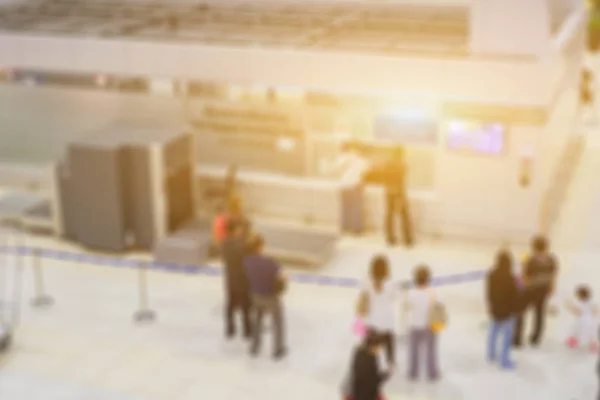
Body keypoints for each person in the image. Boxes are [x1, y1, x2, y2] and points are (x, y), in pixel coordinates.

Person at [244, 234, 287, 359]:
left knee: (257, 321)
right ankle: (278, 349)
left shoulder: (246, 261)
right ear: (260, 247)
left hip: (255, 295)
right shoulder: (269, 262)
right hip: (270, 296)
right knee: (278, 321)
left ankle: (255, 347)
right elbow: (283, 275)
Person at [513, 235, 558, 348]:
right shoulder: (552, 259)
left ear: (533, 247)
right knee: (539, 314)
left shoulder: (530, 259)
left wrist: (519, 287)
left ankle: (517, 339)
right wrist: (552, 288)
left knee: (520, 312)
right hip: (543, 290)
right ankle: (535, 338)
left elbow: (525, 277)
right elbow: (553, 276)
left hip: (530, 290)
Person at [357, 255, 397, 369]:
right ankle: (390, 363)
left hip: (371, 319)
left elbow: (362, 297)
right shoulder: (390, 283)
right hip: (386, 320)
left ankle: (368, 363)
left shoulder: (366, 282)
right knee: (389, 342)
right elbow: (394, 297)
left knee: (369, 343)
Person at [324, 141, 369, 234]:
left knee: (345, 208)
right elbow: (365, 173)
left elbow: (333, 169)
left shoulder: (342, 158)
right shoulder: (362, 159)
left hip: (343, 185)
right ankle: (357, 229)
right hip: (355, 185)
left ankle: (345, 227)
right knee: (356, 208)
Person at [405, 265, 440, 381]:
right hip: (429, 325)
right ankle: (432, 373)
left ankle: (413, 372)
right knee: (431, 350)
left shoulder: (411, 293)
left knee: (413, 350)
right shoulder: (432, 292)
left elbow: (407, 307)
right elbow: (437, 306)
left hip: (414, 324)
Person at [486, 250, 519, 369]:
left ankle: (491, 354)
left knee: (493, 333)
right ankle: (504, 360)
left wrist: (490, 306)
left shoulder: (491, 275)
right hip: (508, 312)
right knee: (506, 337)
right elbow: (515, 295)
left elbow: (489, 293)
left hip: (495, 309)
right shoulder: (511, 278)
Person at [221, 220, 252, 340]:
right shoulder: (239, 245)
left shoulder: (226, 243)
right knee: (243, 306)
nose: (241, 230)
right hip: (241, 280)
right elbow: (245, 252)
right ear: (234, 230)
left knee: (231, 305)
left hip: (231, 279)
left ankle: (232, 328)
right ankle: (245, 329)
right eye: (239, 228)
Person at [345, 329, 393, 400]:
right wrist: (388, 373)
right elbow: (375, 380)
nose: (379, 351)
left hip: (357, 391)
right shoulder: (369, 360)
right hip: (367, 394)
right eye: (379, 348)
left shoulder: (360, 352)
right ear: (374, 346)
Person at [382, 147, 413, 247]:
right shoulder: (402, 165)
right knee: (404, 215)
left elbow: (384, 177)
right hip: (399, 192)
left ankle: (390, 238)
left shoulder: (387, 163)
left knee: (389, 215)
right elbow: (401, 180)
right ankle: (407, 239)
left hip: (389, 192)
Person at [565, 285, 598, 352]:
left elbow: (577, 312)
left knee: (575, 331)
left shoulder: (579, 303)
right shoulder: (591, 302)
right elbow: (595, 311)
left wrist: (569, 306)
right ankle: (593, 346)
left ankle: (573, 343)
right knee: (592, 334)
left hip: (582, 320)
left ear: (579, 295)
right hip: (591, 320)